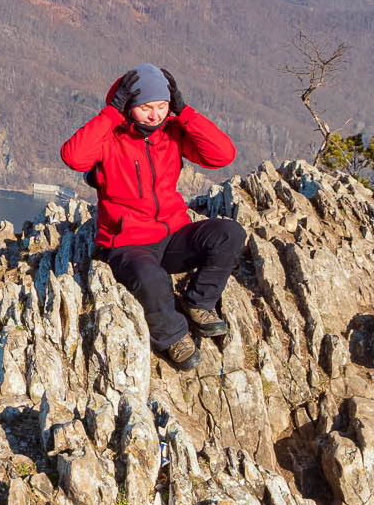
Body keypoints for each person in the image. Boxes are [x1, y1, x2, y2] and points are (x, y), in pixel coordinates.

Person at [61, 64, 246, 370]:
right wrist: (111, 114)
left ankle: (198, 302)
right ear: (128, 106)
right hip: (128, 243)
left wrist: (184, 112)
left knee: (230, 234)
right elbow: (73, 156)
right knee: (152, 279)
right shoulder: (110, 138)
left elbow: (222, 155)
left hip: (173, 234)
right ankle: (171, 335)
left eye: (162, 106)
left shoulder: (173, 133)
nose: (154, 115)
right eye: (145, 107)